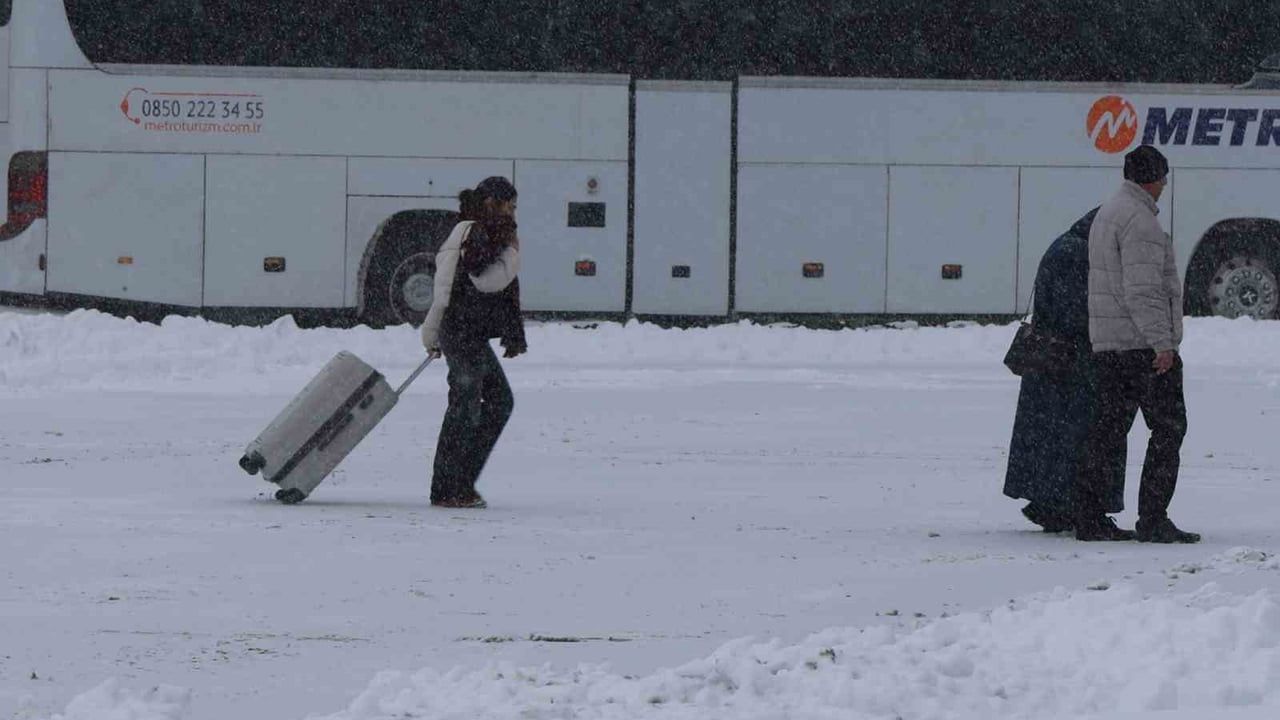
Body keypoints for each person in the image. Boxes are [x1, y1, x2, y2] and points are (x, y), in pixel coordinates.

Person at [1075, 145, 1199, 543]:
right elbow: (1142, 291)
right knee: (1168, 429)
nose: (1165, 185)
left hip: (1111, 345)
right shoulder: (1140, 221)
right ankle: (1153, 518)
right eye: (1163, 177)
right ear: (1152, 178)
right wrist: (1162, 344)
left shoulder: (1108, 213)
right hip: (1141, 346)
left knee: (1107, 432)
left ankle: (1089, 516)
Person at [1004, 208, 1124, 532]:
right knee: (1069, 436)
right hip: (1066, 362)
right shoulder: (1077, 254)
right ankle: (1056, 504)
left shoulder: (1067, 245)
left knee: (1050, 437)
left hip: (1053, 362)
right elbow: (1077, 313)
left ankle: (1050, 503)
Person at [420, 177, 527, 509]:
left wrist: (514, 333)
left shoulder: (487, 231)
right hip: (460, 331)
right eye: (510, 206)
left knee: (496, 401)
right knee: (466, 406)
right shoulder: (473, 232)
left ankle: (459, 483)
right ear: (492, 202)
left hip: (470, 332)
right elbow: (484, 281)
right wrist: (513, 252)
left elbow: (503, 291)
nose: (513, 213)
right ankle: (448, 489)